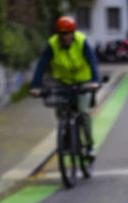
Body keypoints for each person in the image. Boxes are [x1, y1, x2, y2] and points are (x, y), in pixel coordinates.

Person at [30, 16, 101, 160]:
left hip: (83, 82)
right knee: (61, 113)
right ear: (58, 33)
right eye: (62, 34)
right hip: (63, 82)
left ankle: (89, 146)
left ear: (73, 33)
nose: (65, 37)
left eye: (68, 33)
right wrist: (36, 86)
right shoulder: (52, 44)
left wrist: (95, 81)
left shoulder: (81, 41)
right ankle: (67, 136)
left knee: (83, 112)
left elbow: (92, 62)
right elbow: (42, 65)